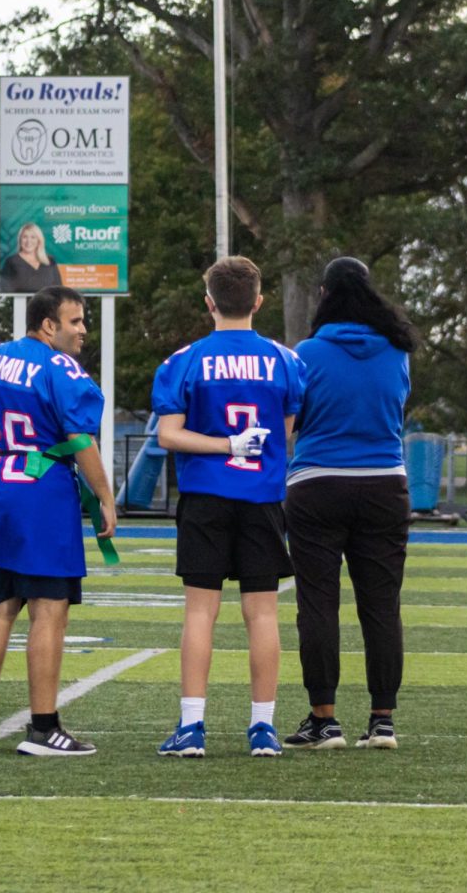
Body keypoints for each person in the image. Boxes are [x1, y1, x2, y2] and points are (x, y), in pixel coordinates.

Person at [152, 255, 306, 758]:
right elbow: (282, 437)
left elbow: (169, 435)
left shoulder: (185, 360)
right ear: (258, 302)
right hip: (261, 497)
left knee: (201, 611)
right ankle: (263, 726)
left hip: (206, 497)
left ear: (209, 302)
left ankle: (192, 725)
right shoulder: (286, 361)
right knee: (262, 614)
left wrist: (222, 446)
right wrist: (244, 448)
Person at [0, 284, 116, 757]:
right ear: (49, 324)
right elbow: (79, 436)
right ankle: (44, 728)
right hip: (40, 490)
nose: (83, 330)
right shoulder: (59, 365)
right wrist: (106, 497)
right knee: (50, 608)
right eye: (76, 321)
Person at [283, 256, 416, 751]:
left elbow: (295, 422)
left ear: (323, 295)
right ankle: (382, 719)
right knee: (382, 606)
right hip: (385, 483)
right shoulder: (397, 350)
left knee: (318, 603)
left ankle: (325, 719)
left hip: (318, 483)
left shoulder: (308, 353)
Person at [0, 222, 63, 293]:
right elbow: (4, 289)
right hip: (21, 303)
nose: (28, 241)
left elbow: (59, 289)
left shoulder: (50, 261)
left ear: (39, 240)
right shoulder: (11, 261)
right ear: (20, 239)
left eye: (33, 237)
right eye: (25, 237)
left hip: (49, 303)